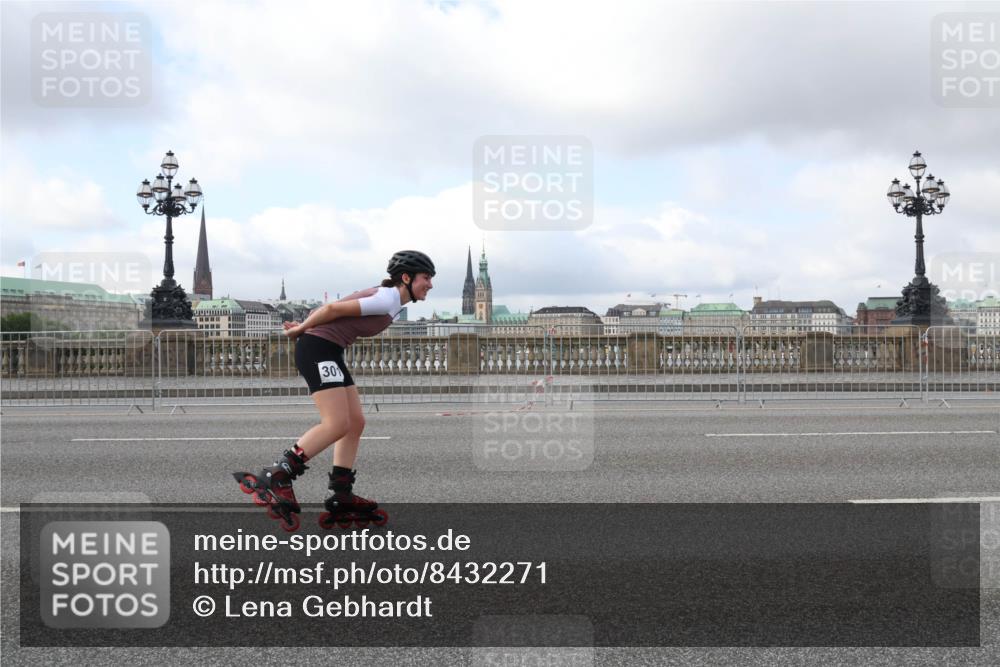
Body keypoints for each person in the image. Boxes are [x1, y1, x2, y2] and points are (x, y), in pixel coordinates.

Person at [234, 250, 434, 530]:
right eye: (426, 278)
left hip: (330, 350)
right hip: (318, 349)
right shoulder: (387, 297)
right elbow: (332, 309)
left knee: (355, 422)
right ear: (406, 277)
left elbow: (336, 309)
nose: (430, 284)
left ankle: (341, 493)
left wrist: (305, 326)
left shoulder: (392, 301)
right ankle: (278, 474)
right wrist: (300, 329)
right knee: (337, 423)